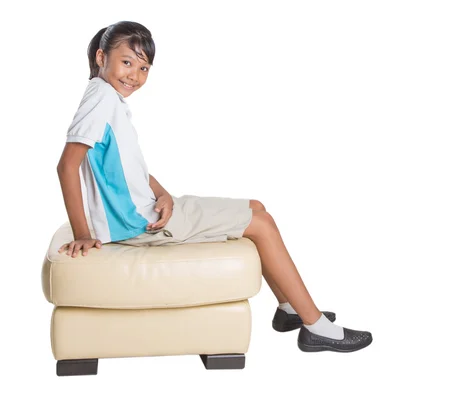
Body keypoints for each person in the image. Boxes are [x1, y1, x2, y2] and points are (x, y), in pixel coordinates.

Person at [56, 21, 372, 353]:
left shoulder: (106, 98)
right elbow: (67, 165)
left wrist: (163, 194)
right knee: (260, 223)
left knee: (257, 207)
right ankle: (316, 327)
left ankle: (288, 308)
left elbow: (130, 168)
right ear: (101, 56)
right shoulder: (101, 100)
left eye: (144, 67)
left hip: (147, 209)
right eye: (127, 62)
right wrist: (82, 233)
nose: (134, 74)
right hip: (139, 225)